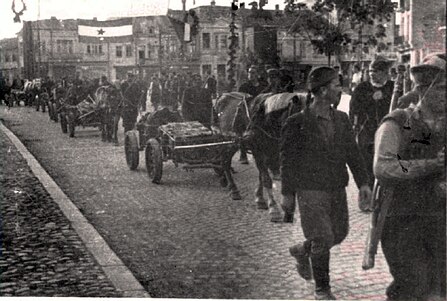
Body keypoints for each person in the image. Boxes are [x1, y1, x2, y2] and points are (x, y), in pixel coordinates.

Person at [280, 66, 371, 300]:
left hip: (336, 187)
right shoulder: (296, 122)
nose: (340, 90)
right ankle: (322, 289)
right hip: (310, 189)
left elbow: (353, 152)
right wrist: (287, 193)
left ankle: (302, 250)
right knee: (322, 237)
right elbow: (288, 161)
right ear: (322, 91)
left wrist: (363, 183)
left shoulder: (341, 118)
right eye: (336, 85)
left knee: (339, 233)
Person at [373, 53, 445, 301]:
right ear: (423, 90)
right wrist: (428, 166)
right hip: (403, 220)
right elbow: (384, 167)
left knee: (439, 289)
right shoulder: (397, 123)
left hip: (439, 220)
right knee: (414, 283)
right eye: (442, 89)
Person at [349, 56, 394, 209]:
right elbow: (353, 109)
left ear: (385, 73)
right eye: (370, 71)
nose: (372, 74)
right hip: (366, 133)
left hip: (388, 134)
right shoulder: (362, 88)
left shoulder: (393, 88)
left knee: (386, 166)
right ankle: (366, 201)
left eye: (376, 71)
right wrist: (370, 98)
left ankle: (384, 201)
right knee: (365, 167)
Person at [238, 66, 267, 164]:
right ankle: (243, 154)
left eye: (253, 73)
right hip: (247, 111)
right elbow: (240, 100)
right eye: (250, 73)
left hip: (262, 111)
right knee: (241, 128)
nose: (251, 75)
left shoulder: (263, 86)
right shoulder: (244, 86)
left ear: (257, 74)